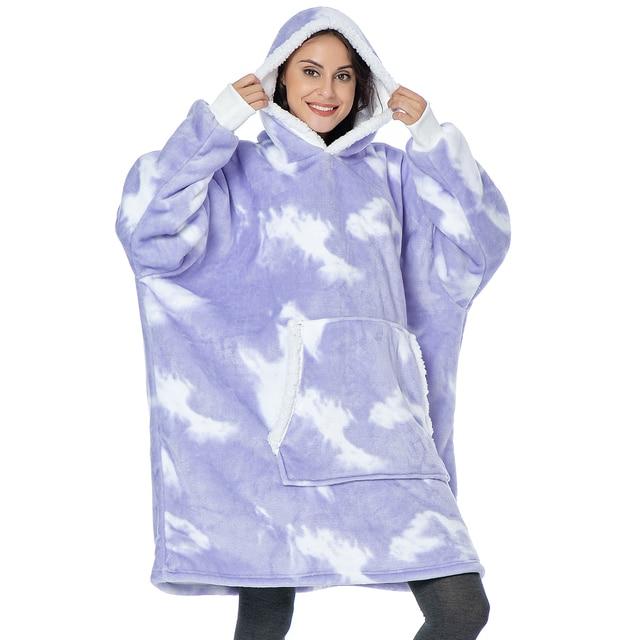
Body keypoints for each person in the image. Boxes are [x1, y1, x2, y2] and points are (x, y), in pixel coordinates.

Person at [115, 6, 510, 640]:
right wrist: (213, 125)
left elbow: (477, 248)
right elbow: (149, 235)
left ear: (363, 85)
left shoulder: (391, 174)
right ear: (279, 78)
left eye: (344, 75)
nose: (328, 90)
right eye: (310, 71)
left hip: (382, 432)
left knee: (462, 609)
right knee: (267, 613)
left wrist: (434, 142)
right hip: (268, 434)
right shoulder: (238, 171)